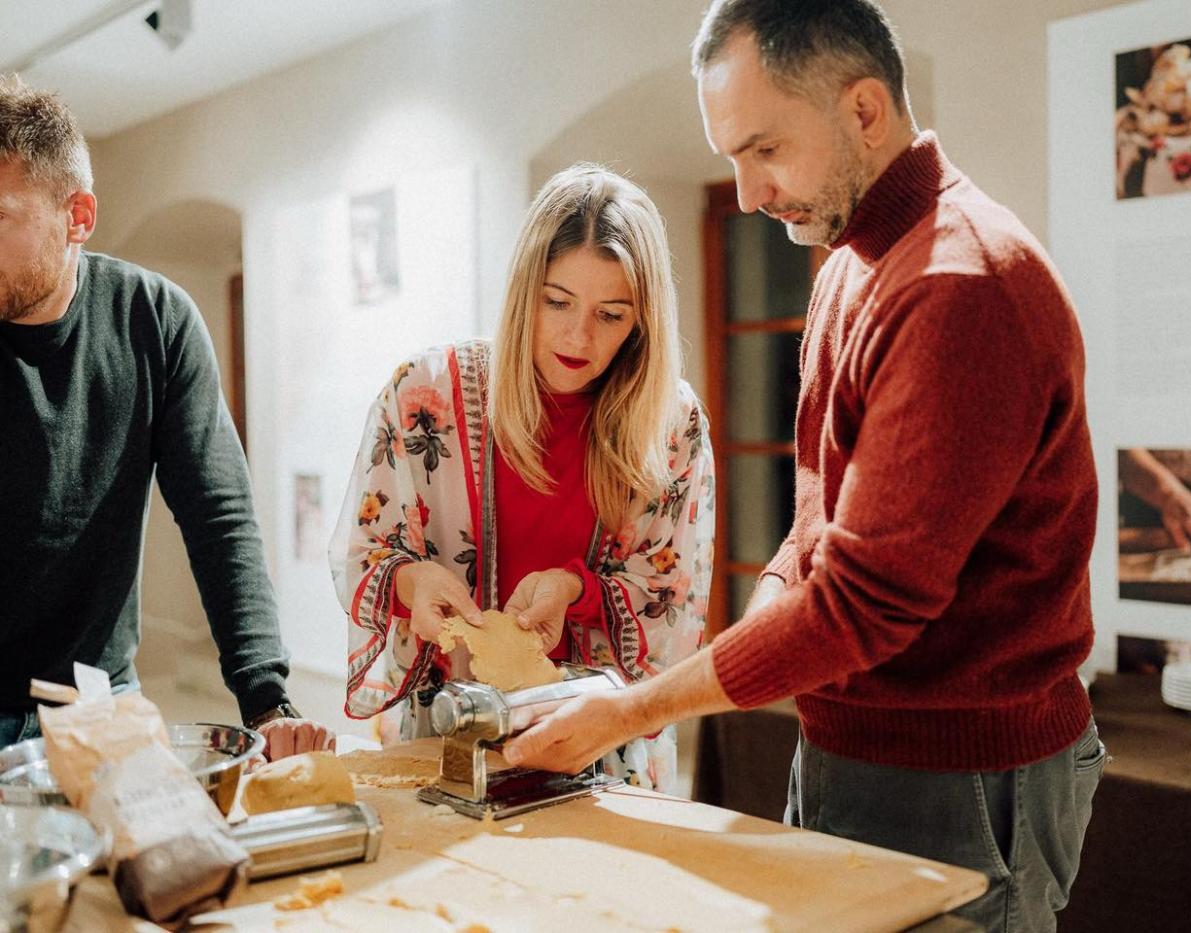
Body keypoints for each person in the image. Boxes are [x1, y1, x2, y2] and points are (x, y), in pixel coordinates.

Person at [503, 3, 1102, 930]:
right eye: (732, 157)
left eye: (765, 149)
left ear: (865, 110)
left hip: (962, 775)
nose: (746, 193)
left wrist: (630, 710)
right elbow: (815, 531)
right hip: (856, 748)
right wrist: (762, 628)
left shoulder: (959, 285)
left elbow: (864, 600)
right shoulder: (849, 264)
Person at [330, 164, 715, 793]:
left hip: (598, 746)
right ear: (522, 291)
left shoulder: (671, 424)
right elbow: (364, 553)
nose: (577, 335)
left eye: (611, 314)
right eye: (556, 301)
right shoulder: (424, 393)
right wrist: (411, 580)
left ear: (643, 321)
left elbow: (672, 595)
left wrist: (577, 590)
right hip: (446, 733)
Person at [0, 76, 331, 760]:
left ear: (78, 217)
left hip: (100, 700)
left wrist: (266, 698)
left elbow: (219, 515)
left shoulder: (155, 321)